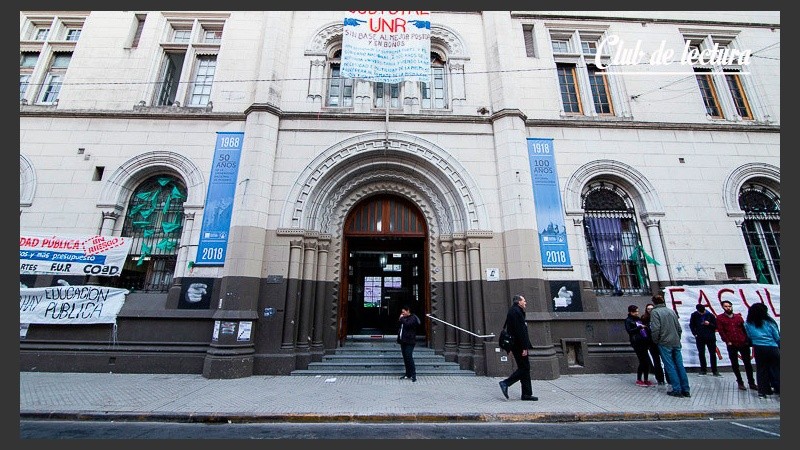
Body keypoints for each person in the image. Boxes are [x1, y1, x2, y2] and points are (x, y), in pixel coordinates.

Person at [649, 294, 691, 398]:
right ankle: (685, 389)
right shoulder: (671, 311)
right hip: (676, 342)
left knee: (670, 366)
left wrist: (656, 340)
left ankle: (677, 389)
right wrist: (677, 338)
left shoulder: (655, 312)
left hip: (664, 343)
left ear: (654, 302)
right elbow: (679, 328)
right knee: (680, 365)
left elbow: (655, 329)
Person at [498, 295, 537, 401]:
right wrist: (524, 347)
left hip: (516, 345)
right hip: (519, 345)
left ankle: (527, 394)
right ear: (519, 301)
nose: (525, 302)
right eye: (524, 300)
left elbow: (511, 330)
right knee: (525, 368)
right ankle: (506, 383)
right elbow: (520, 332)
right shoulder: (516, 312)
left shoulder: (513, 311)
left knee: (524, 368)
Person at [716, 300, 757, 391]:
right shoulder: (720, 318)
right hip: (732, 344)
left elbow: (744, 329)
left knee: (748, 363)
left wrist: (747, 340)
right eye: (726, 306)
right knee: (735, 364)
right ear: (723, 307)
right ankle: (740, 382)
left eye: (729, 306)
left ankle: (751, 382)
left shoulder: (738, 317)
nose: (728, 308)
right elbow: (721, 331)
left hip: (743, 342)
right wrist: (727, 341)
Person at [744, 302, 780, 398]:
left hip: (758, 348)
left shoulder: (748, 323)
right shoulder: (769, 322)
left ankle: (762, 392)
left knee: (761, 370)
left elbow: (749, 336)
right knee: (777, 369)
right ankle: (778, 388)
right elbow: (776, 336)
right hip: (772, 347)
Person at [624, 305, 653, 387]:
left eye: (637, 311)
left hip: (643, 341)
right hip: (636, 342)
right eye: (635, 311)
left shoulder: (638, 319)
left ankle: (646, 379)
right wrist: (639, 327)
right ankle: (639, 379)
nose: (637, 313)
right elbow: (629, 331)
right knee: (642, 361)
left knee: (646, 361)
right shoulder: (628, 320)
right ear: (630, 312)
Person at [689, 303, 721, 376]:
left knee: (712, 353)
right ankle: (703, 370)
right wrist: (695, 333)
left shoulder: (710, 315)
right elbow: (691, 325)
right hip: (700, 337)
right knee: (701, 353)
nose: (701, 313)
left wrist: (709, 324)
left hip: (710, 337)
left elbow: (716, 326)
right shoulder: (694, 315)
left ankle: (714, 370)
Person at [641, 303, 666, 385]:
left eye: (651, 308)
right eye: (648, 309)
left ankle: (668, 378)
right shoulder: (644, 318)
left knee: (665, 360)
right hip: (651, 342)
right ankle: (660, 379)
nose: (650, 310)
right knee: (656, 361)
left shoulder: (658, 317)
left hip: (660, 341)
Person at [397, 305, 420, 382]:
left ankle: (414, 375)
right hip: (403, 341)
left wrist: (401, 318)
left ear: (408, 311)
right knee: (405, 358)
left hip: (410, 341)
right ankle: (408, 374)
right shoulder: (404, 318)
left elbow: (407, 325)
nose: (402, 314)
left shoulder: (413, 318)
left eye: (403, 312)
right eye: (402, 312)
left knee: (409, 356)